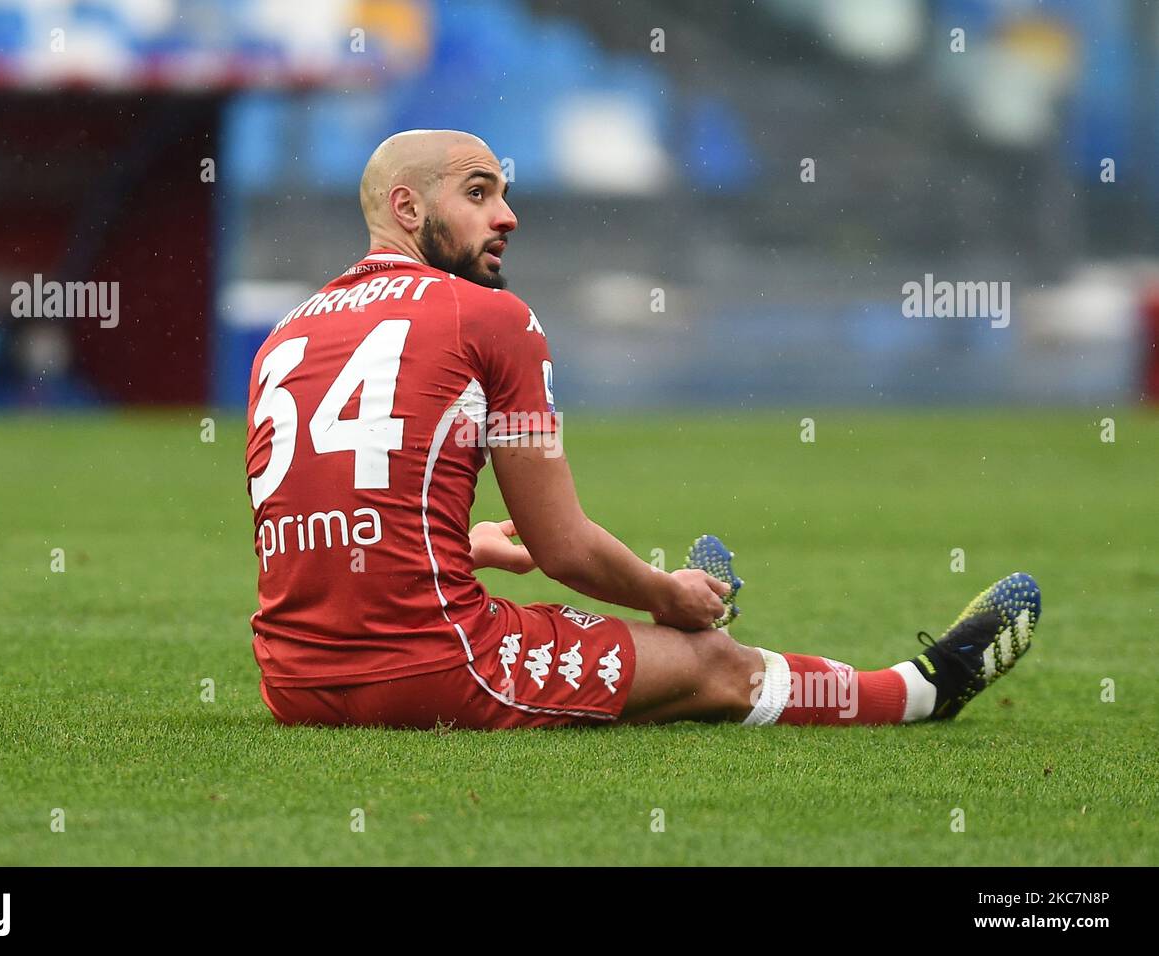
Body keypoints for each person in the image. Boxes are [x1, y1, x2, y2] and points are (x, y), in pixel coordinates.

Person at [245, 129, 1041, 730]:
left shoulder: (285, 333)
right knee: (711, 664)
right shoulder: (493, 319)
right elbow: (562, 547)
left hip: (291, 682)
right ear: (407, 207)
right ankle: (918, 692)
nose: (509, 215)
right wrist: (670, 596)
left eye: (504, 194)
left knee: (641, 669)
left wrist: (472, 547)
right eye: (479, 193)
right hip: (432, 670)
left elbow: (329, 513)